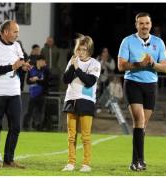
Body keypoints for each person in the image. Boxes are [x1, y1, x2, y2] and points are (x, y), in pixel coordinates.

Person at [117, 12, 166, 171]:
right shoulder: (127, 41)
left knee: (143, 125)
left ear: (151, 25)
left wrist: (152, 63)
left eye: (147, 23)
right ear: (136, 25)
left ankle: (137, 161)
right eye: (141, 23)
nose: (144, 26)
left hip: (151, 86)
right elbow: (121, 66)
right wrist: (140, 64)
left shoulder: (158, 42)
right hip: (133, 83)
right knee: (138, 120)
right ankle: (138, 161)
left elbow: (165, 67)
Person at [0, 20, 31, 169]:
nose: (17, 34)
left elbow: (20, 63)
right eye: (15, 31)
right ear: (5, 32)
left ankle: (9, 160)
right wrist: (12, 66)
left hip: (14, 92)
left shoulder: (17, 46)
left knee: (15, 126)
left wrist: (24, 67)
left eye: (18, 32)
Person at [61, 34, 100, 172]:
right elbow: (65, 79)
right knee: (71, 136)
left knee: (86, 136)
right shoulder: (73, 61)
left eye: (83, 49)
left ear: (89, 50)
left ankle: (86, 164)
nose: (81, 52)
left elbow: (90, 81)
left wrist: (77, 68)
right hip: (71, 99)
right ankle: (71, 163)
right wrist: (72, 66)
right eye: (79, 49)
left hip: (86, 101)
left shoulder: (95, 63)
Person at [22, 55, 49, 131]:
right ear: (38, 61)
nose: (44, 63)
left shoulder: (46, 70)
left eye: (44, 61)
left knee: (40, 111)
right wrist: (34, 80)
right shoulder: (32, 70)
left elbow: (46, 82)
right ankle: (26, 125)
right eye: (42, 61)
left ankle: (39, 126)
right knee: (30, 111)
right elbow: (27, 81)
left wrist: (36, 79)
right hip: (33, 94)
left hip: (42, 94)